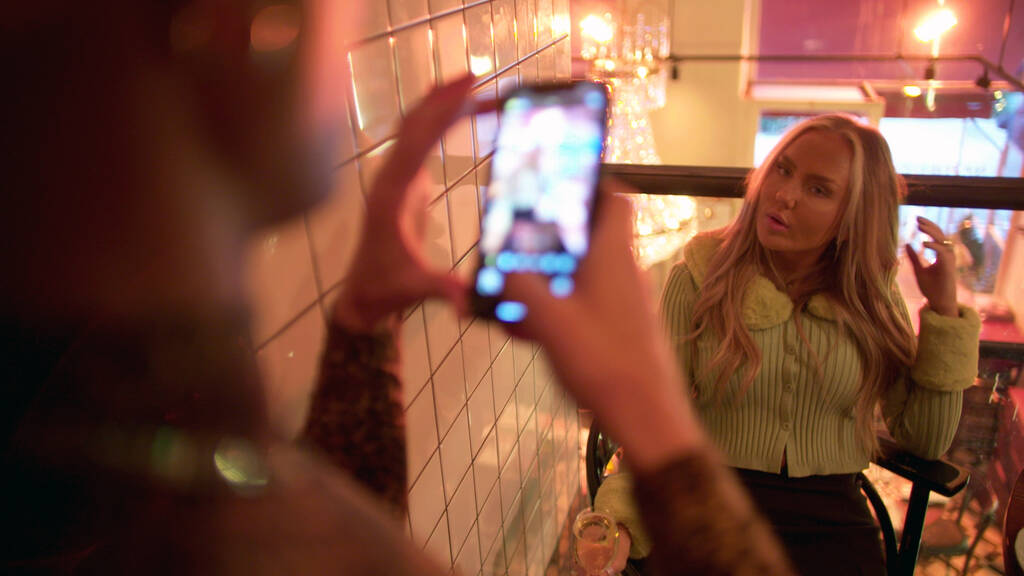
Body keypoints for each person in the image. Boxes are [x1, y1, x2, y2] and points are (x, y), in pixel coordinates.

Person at [1, 1, 800, 575]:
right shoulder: (205, 513)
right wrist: (655, 416)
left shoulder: (81, 450)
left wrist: (363, 322)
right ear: (240, 29)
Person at [595, 114, 982, 575]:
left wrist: (945, 313)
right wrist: (619, 523)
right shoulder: (699, 278)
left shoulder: (870, 296)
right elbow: (652, 418)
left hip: (834, 525)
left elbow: (927, 439)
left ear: (852, 216)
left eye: (818, 189)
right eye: (783, 169)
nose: (784, 195)